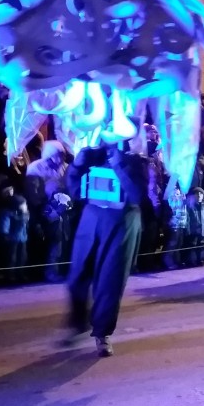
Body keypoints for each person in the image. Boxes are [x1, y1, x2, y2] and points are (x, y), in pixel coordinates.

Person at [62, 141, 147, 357]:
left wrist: (119, 165)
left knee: (110, 281)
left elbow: (137, 195)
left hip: (121, 223)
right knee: (77, 276)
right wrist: (77, 165)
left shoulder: (134, 160)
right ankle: (78, 323)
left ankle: (102, 333)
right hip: (92, 218)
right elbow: (75, 189)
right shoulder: (94, 156)